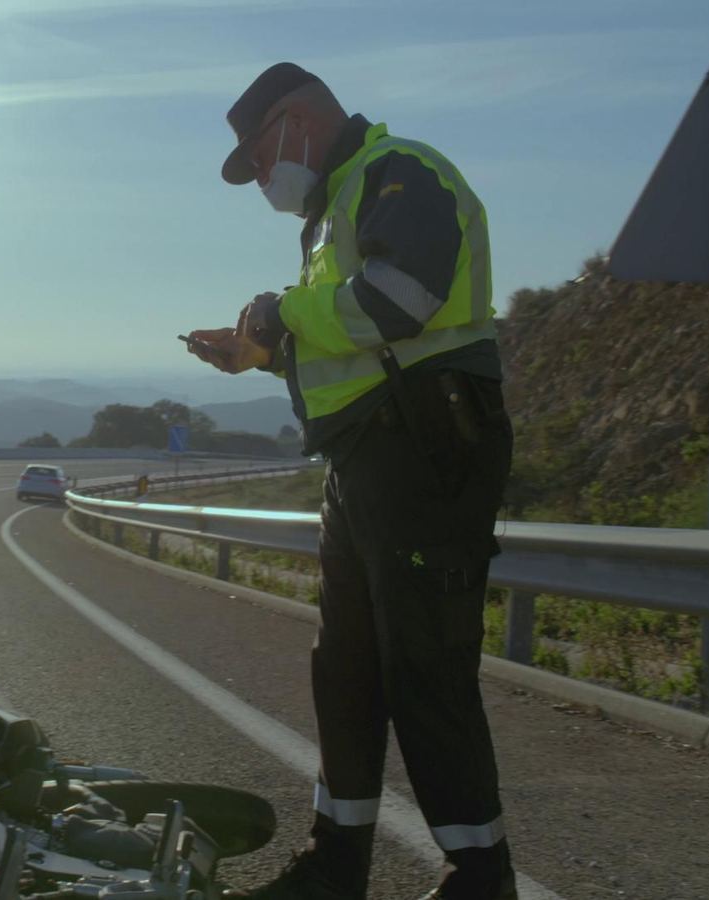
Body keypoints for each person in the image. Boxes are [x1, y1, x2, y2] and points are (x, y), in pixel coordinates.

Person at [185, 63, 516, 900]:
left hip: (424, 450)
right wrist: (259, 354)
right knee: (347, 673)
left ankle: (481, 878)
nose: (263, 177)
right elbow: (355, 344)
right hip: (363, 460)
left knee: (425, 670)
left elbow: (399, 301)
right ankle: (336, 867)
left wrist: (281, 312)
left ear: (296, 122)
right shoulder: (333, 208)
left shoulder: (400, 172)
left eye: (260, 157)